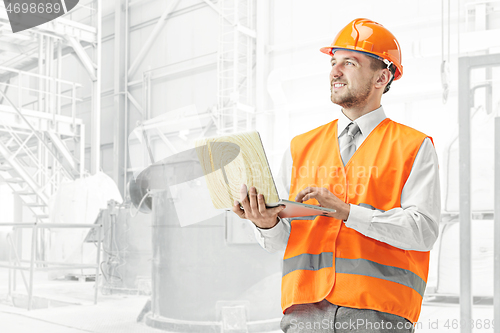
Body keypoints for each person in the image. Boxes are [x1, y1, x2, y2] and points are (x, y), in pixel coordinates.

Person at [232, 18, 440, 333]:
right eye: (333, 62)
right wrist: (266, 223)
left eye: (349, 63)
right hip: (303, 312)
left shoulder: (414, 146)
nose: (335, 71)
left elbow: (422, 231)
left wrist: (346, 212)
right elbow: (282, 241)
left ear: (382, 77)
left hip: (377, 313)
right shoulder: (300, 147)